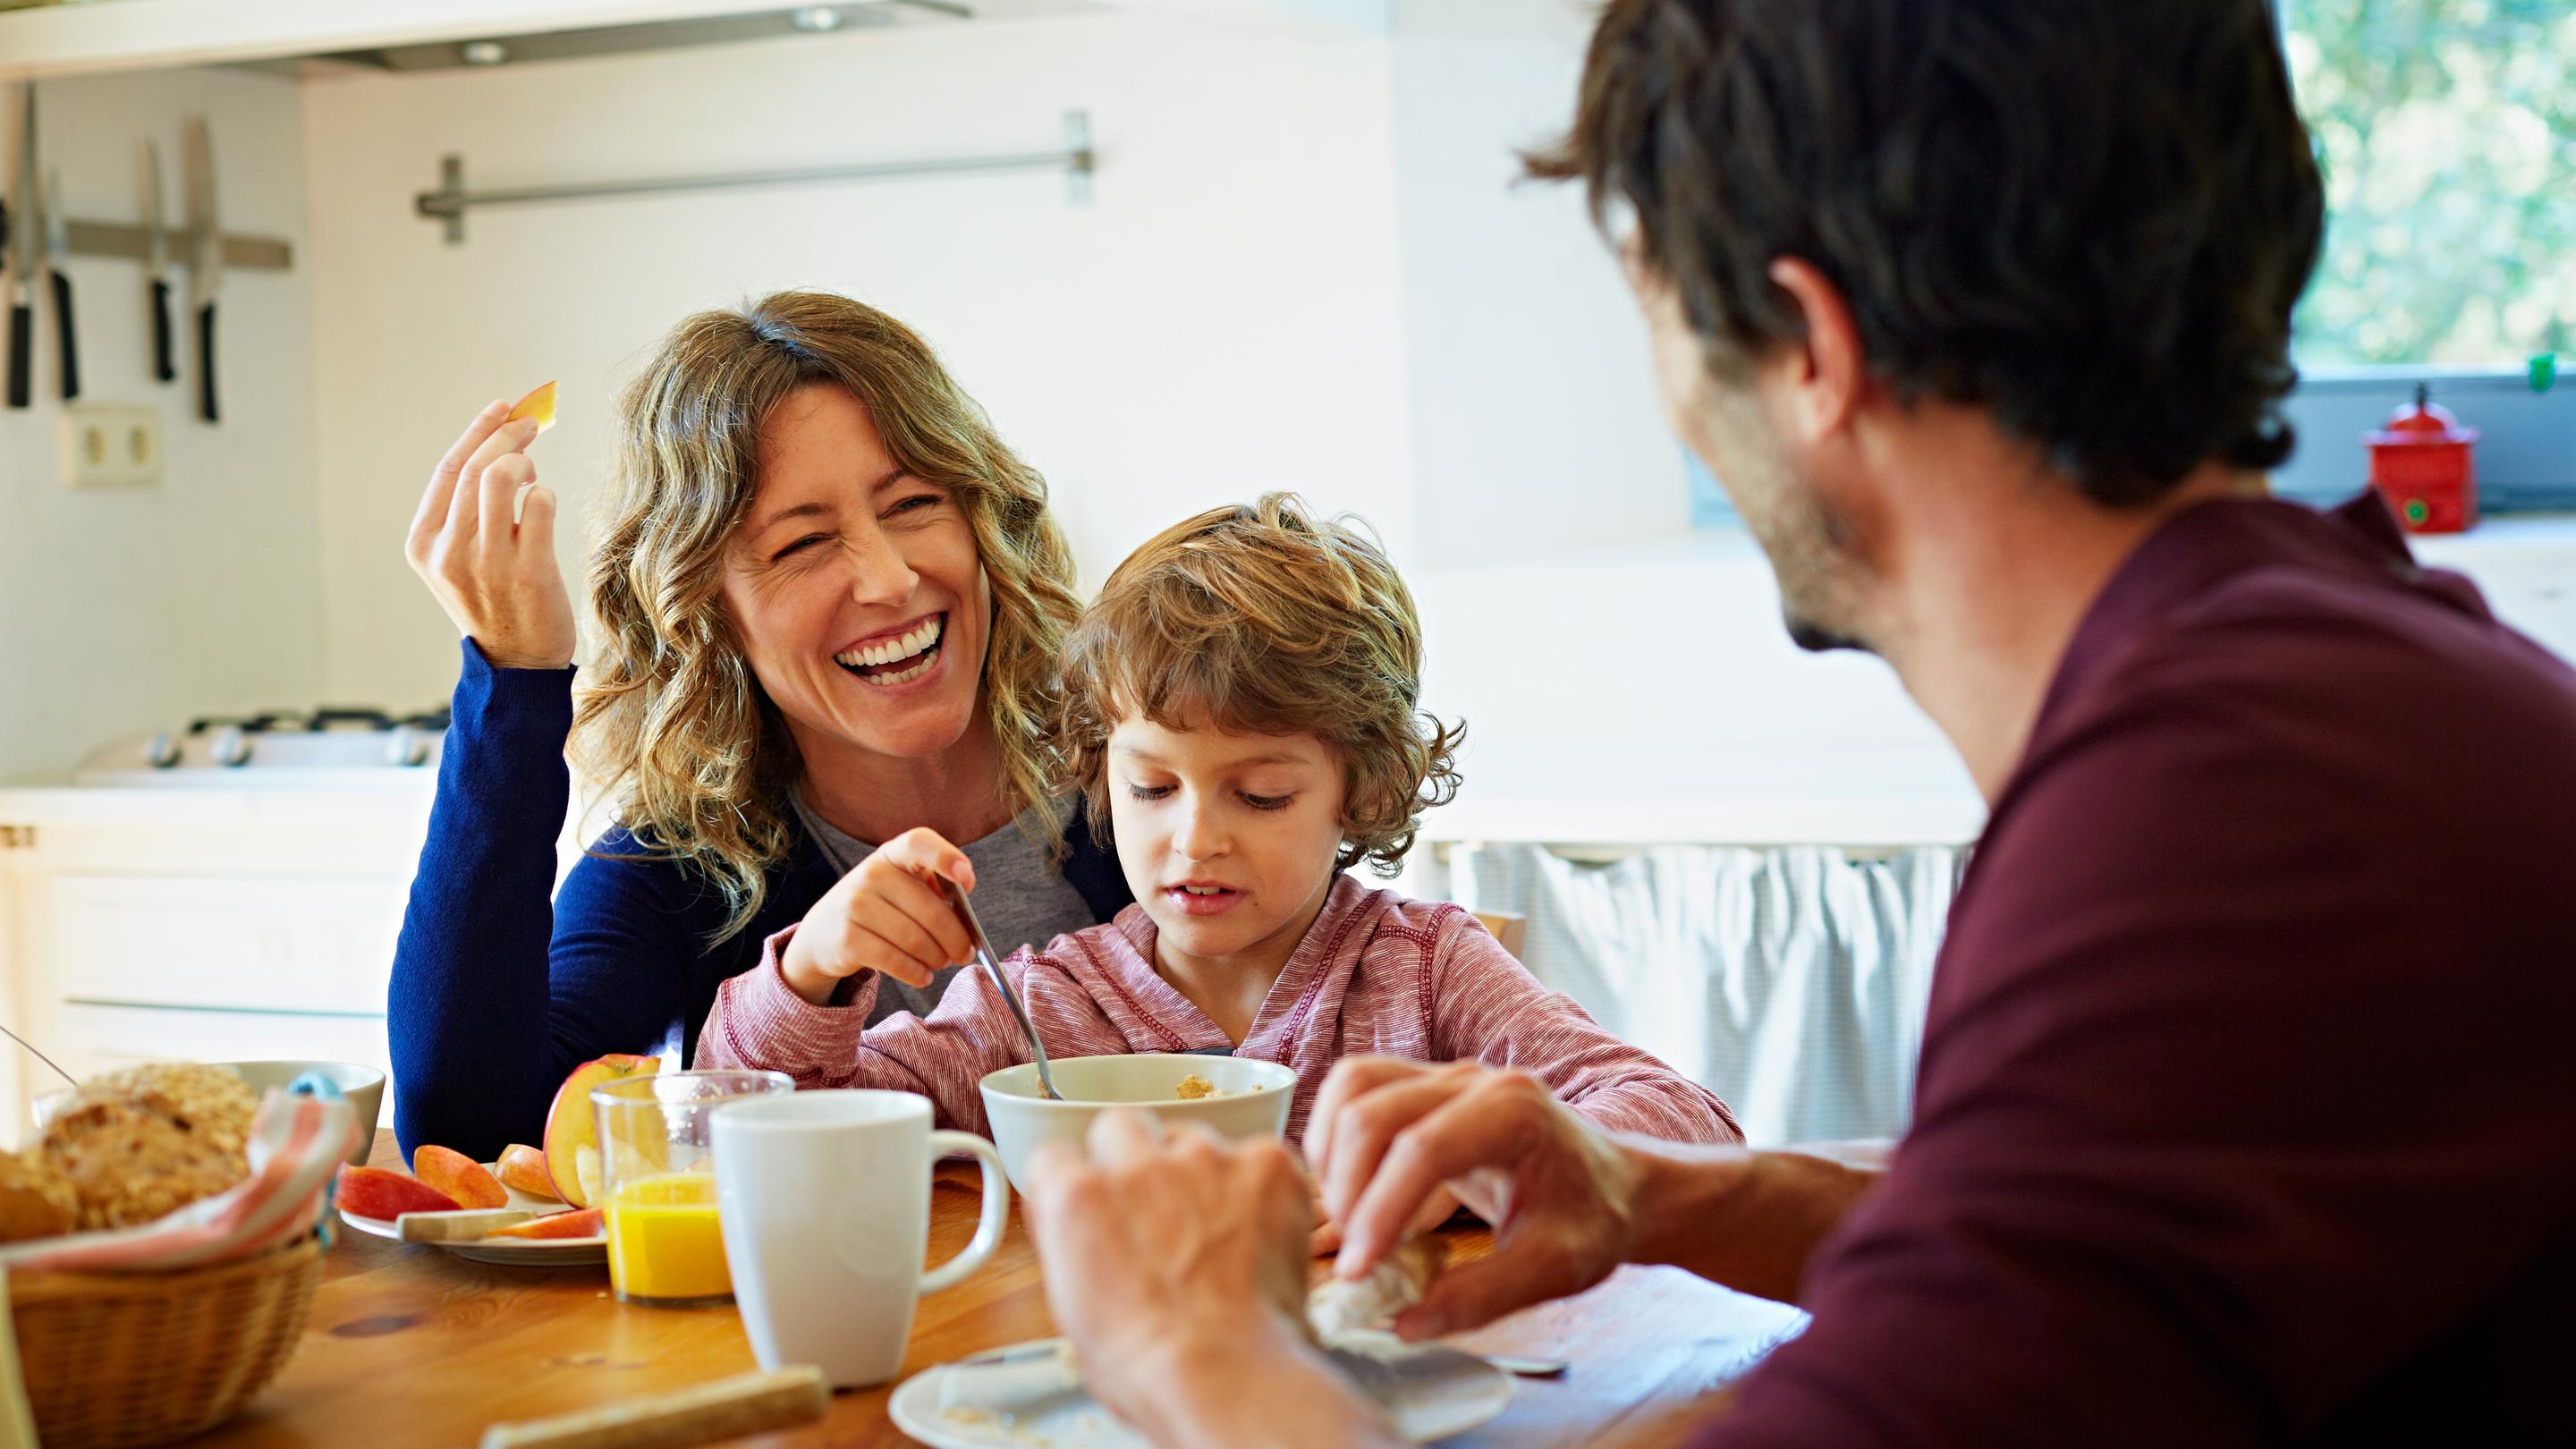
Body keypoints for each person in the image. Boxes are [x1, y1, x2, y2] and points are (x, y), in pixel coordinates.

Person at [1014, 2, 2576, 1445]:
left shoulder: (2221, 833)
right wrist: (1680, 1192)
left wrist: (1206, 1362)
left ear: (1808, 347)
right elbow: (2074, 1254)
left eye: (1657, 318)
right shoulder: (2352, 691)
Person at [697, 496, 1739, 1240]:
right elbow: (751, 1130)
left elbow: (1685, 1123)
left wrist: (1471, 1169)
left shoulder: (1421, 972)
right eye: (1153, 790)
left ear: (1362, 791)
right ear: (1099, 773)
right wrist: (813, 973)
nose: (1195, 840)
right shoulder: (1048, 1005)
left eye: (1262, 795)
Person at [389, 292, 1131, 1160]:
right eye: (803, 544)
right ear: (710, 614)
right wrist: (513, 682)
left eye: (913, 505)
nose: (889, 579)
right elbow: (473, 1134)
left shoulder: (1153, 789)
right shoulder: (683, 868)